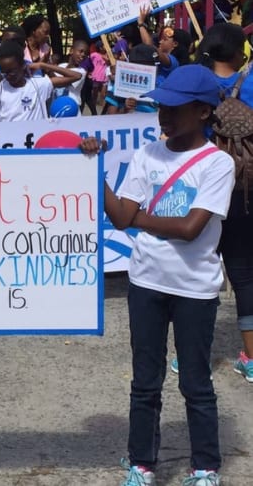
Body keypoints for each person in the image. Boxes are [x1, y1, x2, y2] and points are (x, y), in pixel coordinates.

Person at [80, 65, 235, 486]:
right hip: (146, 283)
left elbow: (190, 229)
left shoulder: (218, 164)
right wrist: (95, 168)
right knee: (144, 382)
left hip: (194, 290)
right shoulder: (148, 154)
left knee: (195, 383)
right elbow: (120, 217)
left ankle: (205, 467)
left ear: (203, 111)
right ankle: (141, 463)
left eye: (175, 107)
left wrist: (140, 218)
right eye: (160, 106)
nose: (163, 115)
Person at [196, 23, 253, 383]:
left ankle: (191, 355)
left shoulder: (195, 83)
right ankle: (249, 357)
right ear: (237, 52)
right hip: (245, 188)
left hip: (200, 188)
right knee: (244, 273)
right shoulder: (251, 83)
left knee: (198, 271)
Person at [0, 41, 79, 122]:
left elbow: (76, 76)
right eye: (4, 72)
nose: (8, 76)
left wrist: (43, 65)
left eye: (12, 71)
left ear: (23, 65)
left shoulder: (39, 84)